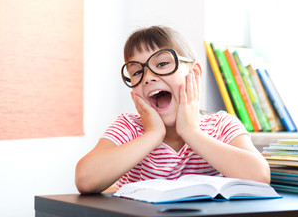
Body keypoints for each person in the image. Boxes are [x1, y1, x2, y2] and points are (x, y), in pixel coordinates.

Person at [75, 26, 270, 194]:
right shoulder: (129, 128)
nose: (148, 77)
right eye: (136, 72)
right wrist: (153, 134)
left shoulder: (221, 125)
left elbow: (259, 176)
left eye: (162, 64)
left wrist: (191, 132)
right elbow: (85, 179)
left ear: (193, 73)